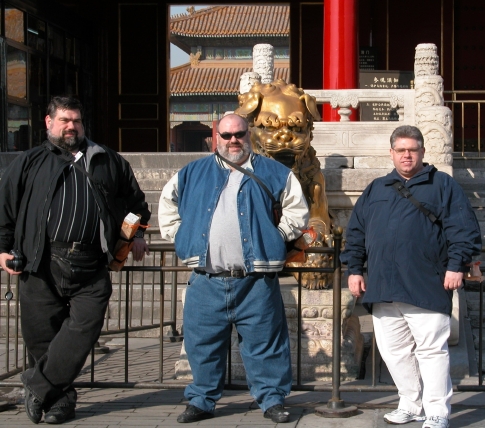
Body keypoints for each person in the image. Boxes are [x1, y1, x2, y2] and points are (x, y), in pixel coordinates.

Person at [0, 96, 151, 424]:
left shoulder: (107, 160)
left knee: (85, 328)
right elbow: (6, 208)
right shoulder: (29, 162)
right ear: (48, 122)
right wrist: (3, 248)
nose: (71, 126)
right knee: (41, 335)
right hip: (41, 262)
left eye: (77, 121)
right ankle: (60, 404)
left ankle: (37, 384)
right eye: (65, 120)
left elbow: (136, 202)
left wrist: (138, 233)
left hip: (91, 263)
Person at [158, 113, 309, 424]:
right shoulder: (193, 173)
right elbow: (167, 204)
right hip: (206, 279)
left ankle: (272, 400)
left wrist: (276, 237)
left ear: (248, 134)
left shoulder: (274, 172)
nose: (233, 140)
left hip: (256, 281)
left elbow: (298, 209)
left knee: (265, 344)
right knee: (202, 344)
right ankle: (201, 400)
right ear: (217, 137)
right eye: (226, 135)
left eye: (239, 133)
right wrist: (180, 235)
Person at [340, 125, 481, 428]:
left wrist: (456, 265)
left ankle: (437, 412)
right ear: (391, 153)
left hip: (427, 283)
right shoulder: (377, 188)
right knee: (393, 351)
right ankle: (410, 403)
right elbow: (356, 233)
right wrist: (354, 270)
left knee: (432, 352)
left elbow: (464, 230)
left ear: (422, 152)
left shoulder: (443, 185)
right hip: (383, 285)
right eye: (401, 150)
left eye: (412, 150)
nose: (406, 155)